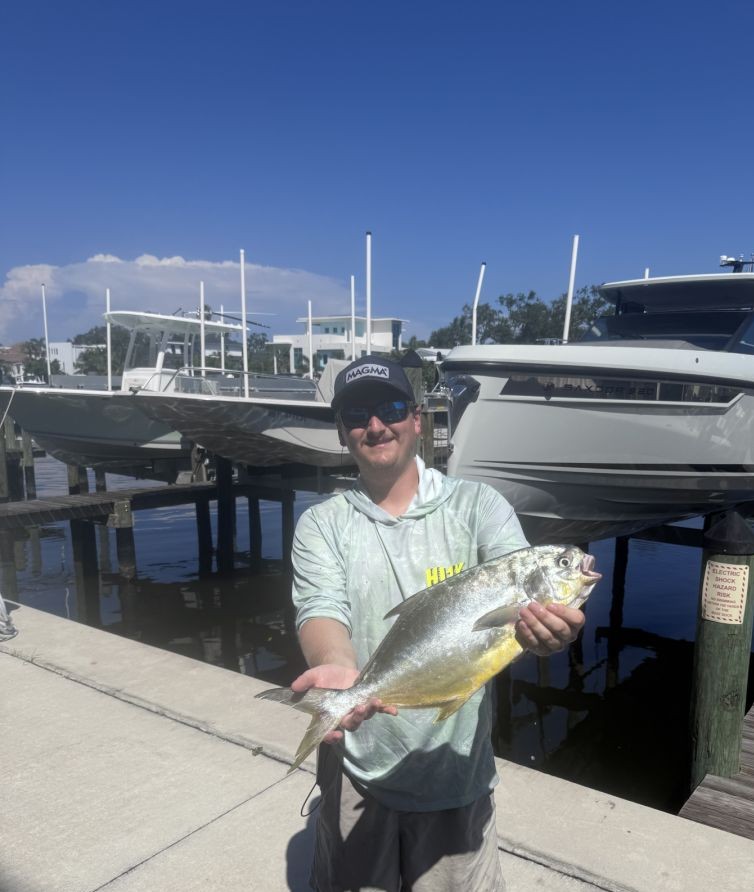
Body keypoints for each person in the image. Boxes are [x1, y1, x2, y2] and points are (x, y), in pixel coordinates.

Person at [290, 354, 585, 892]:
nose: (376, 425)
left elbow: (528, 621)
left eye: (391, 408)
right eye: (358, 415)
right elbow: (320, 609)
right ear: (342, 430)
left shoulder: (479, 507)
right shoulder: (322, 523)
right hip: (357, 768)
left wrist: (552, 633)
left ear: (417, 417)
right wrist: (338, 670)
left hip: (456, 776)